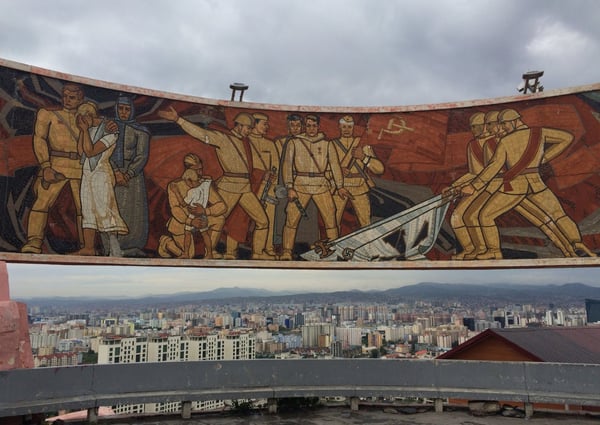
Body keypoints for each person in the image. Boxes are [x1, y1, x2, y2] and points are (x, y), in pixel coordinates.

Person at [461, 108, 595, 259]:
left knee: (485, 215)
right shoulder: (539, 133)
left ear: (514, 121)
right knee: (558, 216)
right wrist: (544, 158)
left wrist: (474, 186)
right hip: (536, 184)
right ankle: (576, 243)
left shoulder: (506, 141)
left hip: (515, 187)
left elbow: (494, 166)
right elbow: (567, 138)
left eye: (504, 124)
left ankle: (493, 251)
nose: (503, 127)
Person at [157, 106, 273, 260]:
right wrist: (179, 120)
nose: (250, 131)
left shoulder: (245, 142)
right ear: (239, 125)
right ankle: (208, 252)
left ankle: (257, 253)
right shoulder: (222, 138)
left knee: (263, 220)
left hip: (245, 188)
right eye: (248, 127)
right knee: (216, 219)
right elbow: (202, 134)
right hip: (229, 186)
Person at [21, 83, 85, 254]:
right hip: (56, 163)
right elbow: (39, 139)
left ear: (80, 99)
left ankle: (86, 245)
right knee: (41, 203)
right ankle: (34, 242)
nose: (67, 100)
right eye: (65, 96)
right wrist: (45, 166)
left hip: (81, 166)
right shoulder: (48, 114)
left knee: (84, 209)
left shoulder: (87, 118)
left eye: (72, 97)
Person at [280, 114, 351, 260]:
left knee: (330, 216)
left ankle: (334, 250)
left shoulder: (327, 144)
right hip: (300, 184)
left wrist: (340, 186)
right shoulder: (294, 143)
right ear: (305, 126)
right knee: (291, 218)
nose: (311, 128)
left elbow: (335, 165)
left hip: (320, 184)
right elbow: (287, 165)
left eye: (314, 125)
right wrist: (289, 187)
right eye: (308, 125)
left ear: (318, 126)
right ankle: (287, 251)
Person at [75, 102, 128, 256]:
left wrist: (84, 131)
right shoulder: (88, 130)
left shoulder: (110, 130)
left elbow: (91, 152)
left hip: (101, 174)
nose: (82, 121)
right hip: (87, 173)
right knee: (88, 210)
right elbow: (81, 152)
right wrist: (83, 131)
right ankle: (89, 248)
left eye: (84, 118)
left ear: (91, 116)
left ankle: (115, 249)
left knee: (105, 210)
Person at [158, 154, 226, 259]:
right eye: (197, 170)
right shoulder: (175, 185)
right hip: (182, 222)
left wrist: (205, 211)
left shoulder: (204, 184)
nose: (200, 173)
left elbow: (222, 206)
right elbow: (176, 209)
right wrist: (190, 221)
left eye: (201, 169)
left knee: (219, 219)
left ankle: (209, 252)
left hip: (200, 218)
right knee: (189, 256)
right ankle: (166, 243)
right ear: (188, 170)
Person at [108, 95, 151, 257]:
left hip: (132, 176)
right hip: (112, 171)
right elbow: (105, 150)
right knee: (112, 207)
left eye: (127, 109)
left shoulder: (140, 131)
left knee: (132, 210)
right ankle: (111, 245)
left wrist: (128, 173)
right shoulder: (109, 128)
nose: (124, 112)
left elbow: (142, 156)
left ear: (132, 110)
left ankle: (131, 245)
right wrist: (116, 172)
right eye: (121, 109)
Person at [331, 115, 384, 232]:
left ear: (353, 127)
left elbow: (379, 169)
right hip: (339, 187)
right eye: (344, 126)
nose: (346, 129)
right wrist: (338, 170)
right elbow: (323, 168)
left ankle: (368, 248)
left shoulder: (362, 145)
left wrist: (364, 157)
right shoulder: (332, 146)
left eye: (349, 127)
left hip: (359, 186)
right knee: (332, 222)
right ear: (339, 127)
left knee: (365, 223)